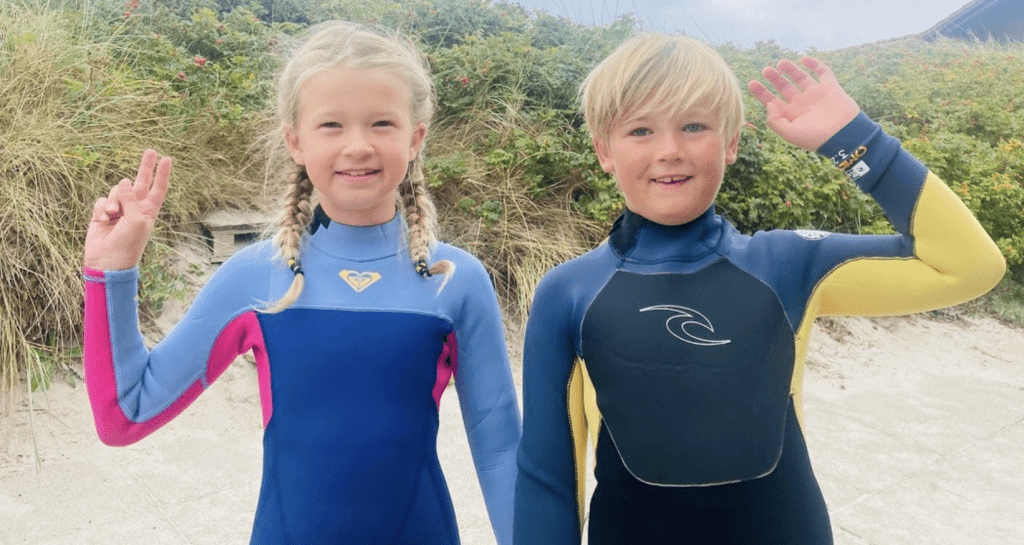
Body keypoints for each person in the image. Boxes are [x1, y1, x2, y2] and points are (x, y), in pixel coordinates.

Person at [513, 33, 1005, 544]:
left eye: (694, 126)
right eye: (640, 130)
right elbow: (546, 478)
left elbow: (969, 267)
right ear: (604, 152)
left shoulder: (790, 265)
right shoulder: (568, 293)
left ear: (730, 143)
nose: (670, 151)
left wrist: (855, 141)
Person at [82, 21, 520, 545]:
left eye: (382, 123)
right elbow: (124, 414)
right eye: (331, 125)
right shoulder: (256, 277)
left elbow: (500, 451)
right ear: (296, 141)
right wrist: (111, 271)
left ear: (415, 137)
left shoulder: (455, 281)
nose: (357, 146)